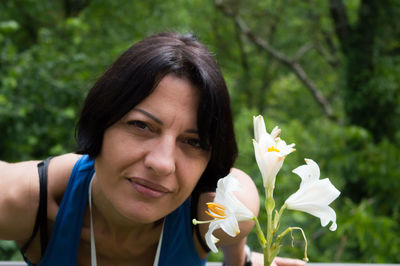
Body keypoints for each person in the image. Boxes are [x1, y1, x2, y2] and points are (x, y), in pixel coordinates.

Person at [0, 32, 305, 266]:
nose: (162, 163)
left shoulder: (217, 215)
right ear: (101, 122)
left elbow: (240, 214)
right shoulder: (32, 200)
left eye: (193, 142)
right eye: (141, 126)